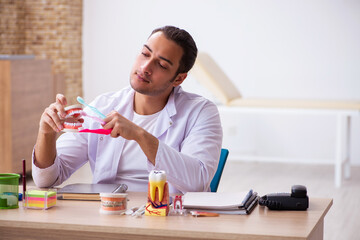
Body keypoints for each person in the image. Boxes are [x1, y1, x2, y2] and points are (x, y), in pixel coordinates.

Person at [32, 26, 223, 193]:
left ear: (179, 79)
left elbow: (197, 181)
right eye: (145, 54)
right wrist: (46, 133)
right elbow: (46, 179)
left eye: (162, 65)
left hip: (167, 219)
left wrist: (140, 135)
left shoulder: (201, 112)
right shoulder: (102, 106)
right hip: (110, 215)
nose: (146, 67)